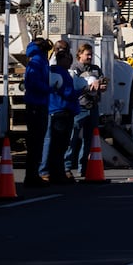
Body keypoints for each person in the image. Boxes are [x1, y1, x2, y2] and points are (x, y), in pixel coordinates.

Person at [66, 43, 106, 177]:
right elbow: (74, 87)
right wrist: (90, 87)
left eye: (91, 54)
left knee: (89, 140)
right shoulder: (74, 69)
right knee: (72, 138)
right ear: (80, 54)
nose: (89, 57)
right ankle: (66, 168)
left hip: (93, 107)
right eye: (87, 54)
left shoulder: (96, 69)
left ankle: (83, 168)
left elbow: (102, 81)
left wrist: (102, 85)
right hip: (79, 107)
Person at [45, 44, 82, 184]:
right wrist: (82, 91)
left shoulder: (52, 72)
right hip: (61, 111)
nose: (70, 62)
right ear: (61, 60)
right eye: (68, 59)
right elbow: (68, 93)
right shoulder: (62, 74)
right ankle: (57, 174)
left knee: (57, 144)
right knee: (60, 145)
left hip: (56, 111)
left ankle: (55, 172)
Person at [21, 37, 50, 187]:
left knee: (36, 141)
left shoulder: (37, 60)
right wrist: (49, 88)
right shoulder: (39, 61)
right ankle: (31, 175)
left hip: (36, 103)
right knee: (36, 141)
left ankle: (33, 174)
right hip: (37, 104)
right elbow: (33, 82)